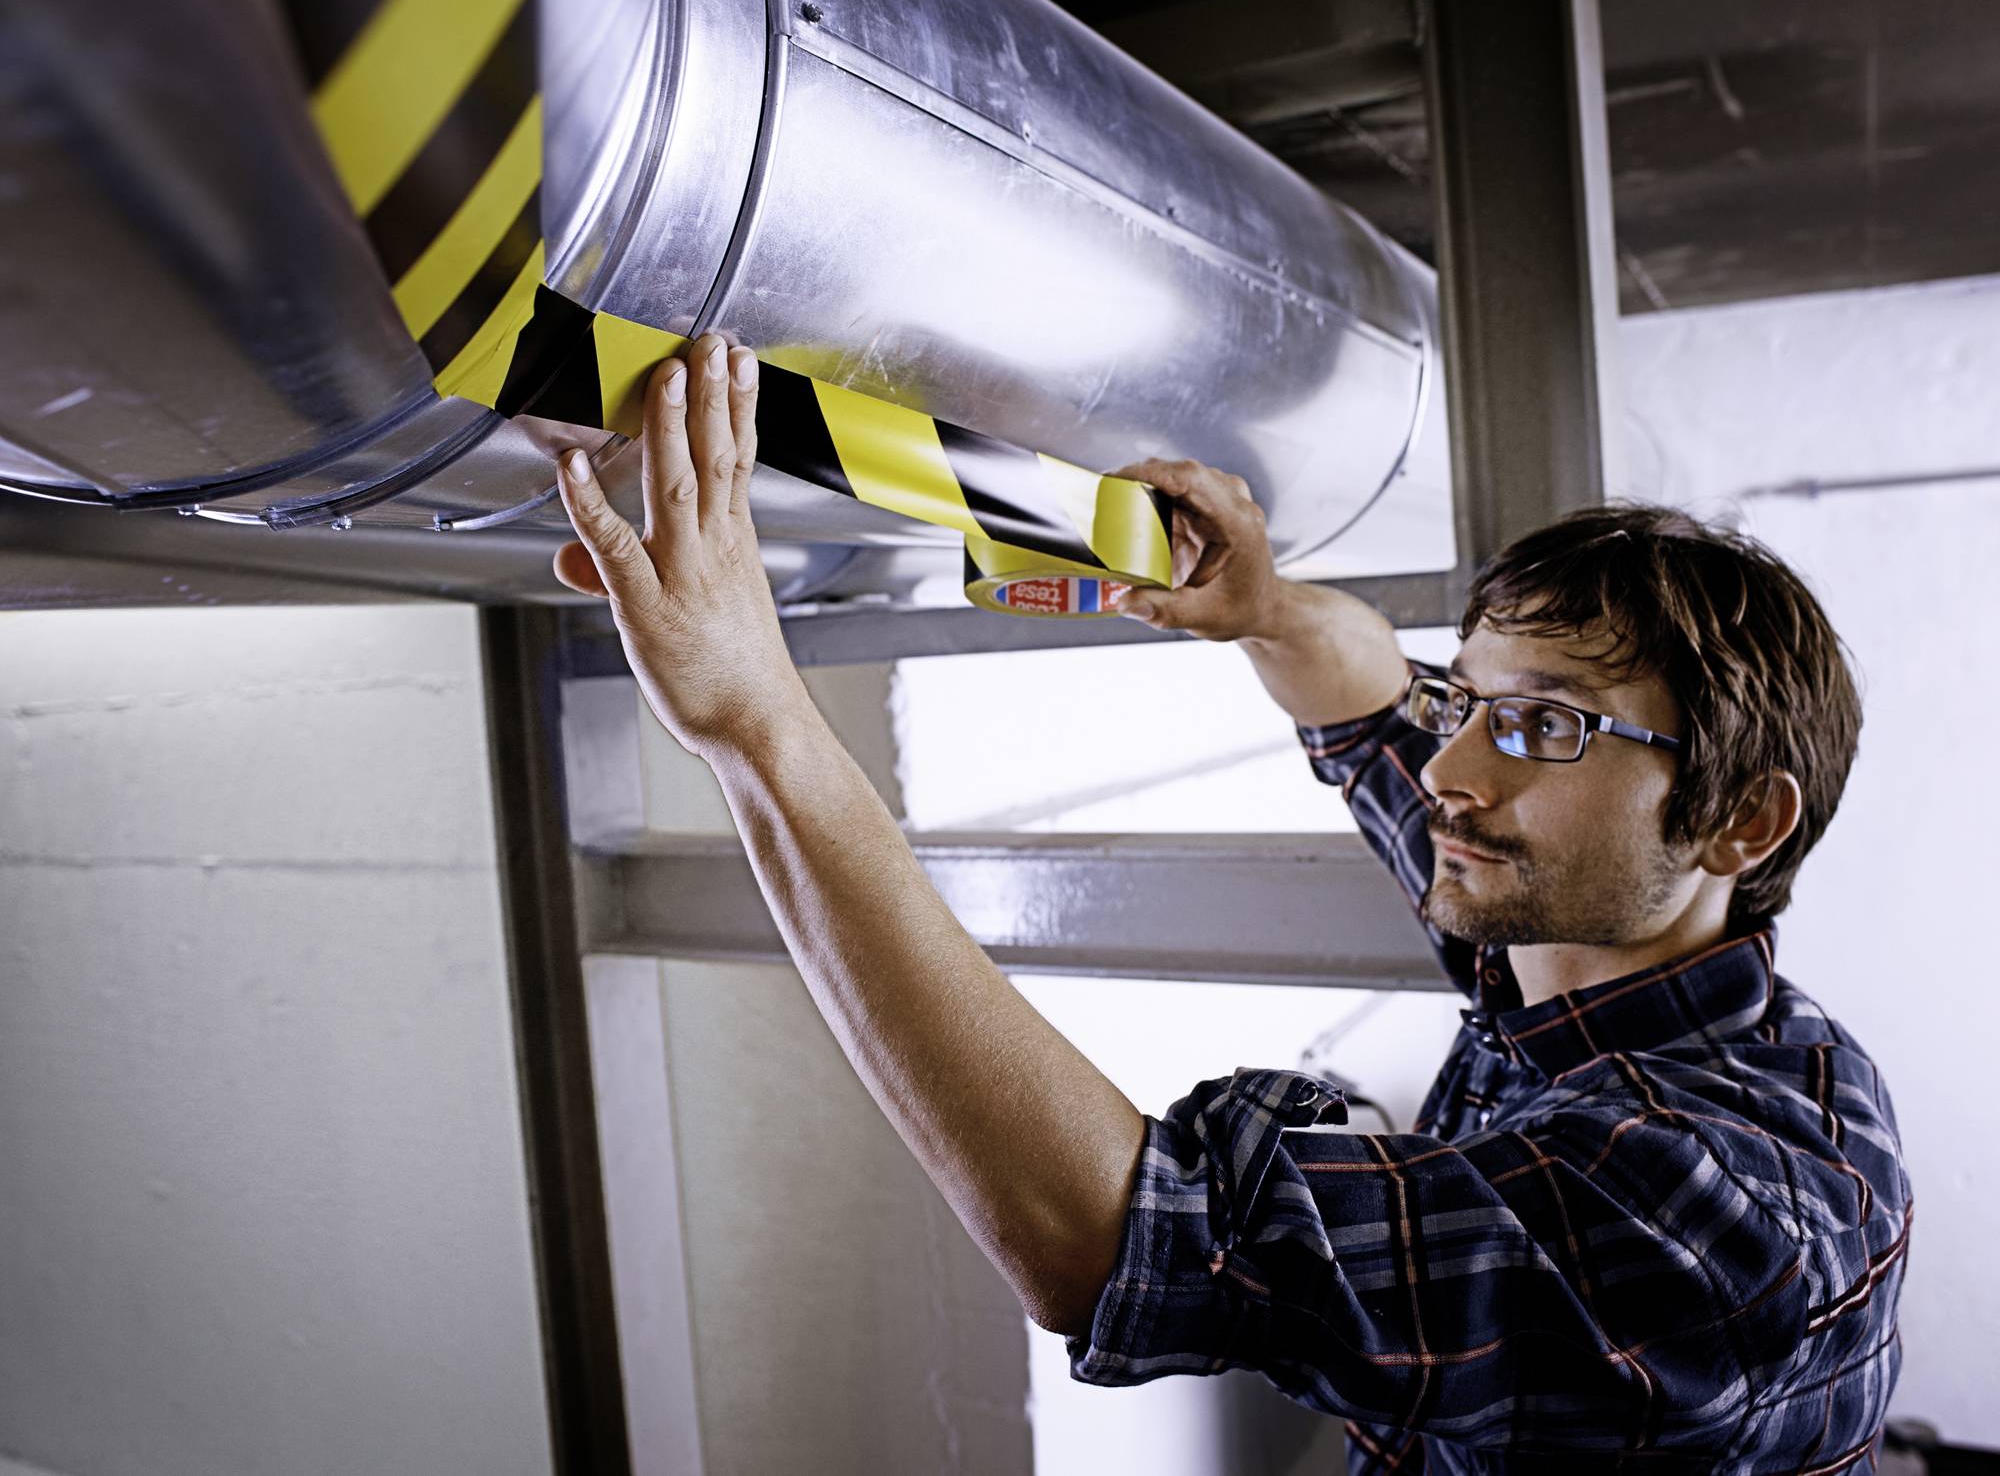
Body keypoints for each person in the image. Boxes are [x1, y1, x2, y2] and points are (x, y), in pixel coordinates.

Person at [549, 335, 1910, 1474]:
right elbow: (1374, 695)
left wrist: (757, 726)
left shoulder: (1712, 1202)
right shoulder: (1578, 952)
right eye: (1472, 702)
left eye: (1547, 727)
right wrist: (1260, 608)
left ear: (1743, 820)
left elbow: (1109, 1239)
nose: (1450, 771)